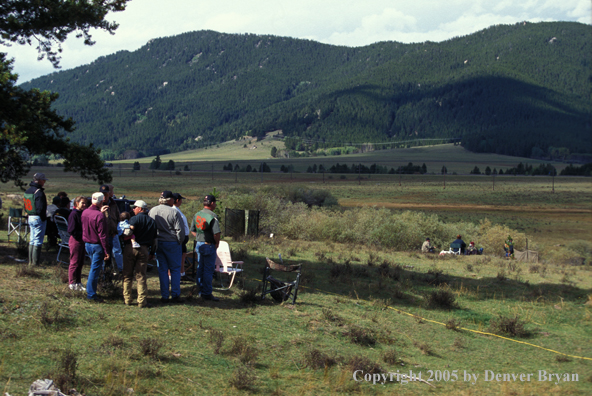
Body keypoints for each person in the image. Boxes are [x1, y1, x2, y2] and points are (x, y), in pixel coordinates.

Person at [149, 191, 185, 303]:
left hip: (158, 242)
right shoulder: (174, 212)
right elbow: (180, 230)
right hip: (172, 242)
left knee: (162, 269)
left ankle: (164, 295)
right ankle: (175, 294)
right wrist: (179, 241)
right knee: (175, 269)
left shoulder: (152, 211)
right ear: (169, 200)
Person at [123, 200, 157, 308]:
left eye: (135, 207)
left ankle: (127, 299)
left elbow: (128, 232)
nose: (133, 209)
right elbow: (155, 240)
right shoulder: (152, 221)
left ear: (140, 209)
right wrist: (152, 252)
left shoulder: (134, 219)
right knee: (141, 275)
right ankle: (142, 300)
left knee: (127, 274)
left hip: (130, 247)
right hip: (144, 249)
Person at [191, 195, 221, 302]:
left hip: (199, 244)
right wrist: (217, 243)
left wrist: (199, 238)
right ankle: (207, 293)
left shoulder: (197, 214)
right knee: (208, 270)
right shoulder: (212, 216)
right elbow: (216, 233)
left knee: (200, 268)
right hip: (208, 245)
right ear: (212, 203)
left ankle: (200, 290)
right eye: (215, 203)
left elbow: (193, 230)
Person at [82, 192, 110, 302]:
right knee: (95, 270)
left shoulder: (85, 212)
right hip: (97, 245)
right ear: (102, 201)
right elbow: (102, 235)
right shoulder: (99, 215)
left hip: (87, 243)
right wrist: (106, 249)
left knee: (93, 268)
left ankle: (91, 291)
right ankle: (91, 294)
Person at [24, 173, 48, 267]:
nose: (44, 182)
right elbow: (41, 208)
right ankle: (35, 263)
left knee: (32, 239)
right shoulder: (39, 192)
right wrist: (43, 218)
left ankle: (30, 262)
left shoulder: (28, 191)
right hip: (38, 217)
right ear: (39, 181)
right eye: (44, 180)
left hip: (30, 216)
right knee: (38, 240)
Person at [67, 196, 89, 292]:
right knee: (74, 262)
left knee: (80, 262)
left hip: (82, 240)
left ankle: (78, 282)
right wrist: (81, 234)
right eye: (82, 203)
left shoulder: (82, 213)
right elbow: (71, 230)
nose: (84, 205)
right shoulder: (74, 214)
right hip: (76, 240)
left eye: (85, 203)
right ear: (76, 203)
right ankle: (72, 283)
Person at [100, 184, 123, 272]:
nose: (104, 197)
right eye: (103, 195)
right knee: (102, 254)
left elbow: (117, 217)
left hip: (111, 234)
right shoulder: (97, 205)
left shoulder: (113, 204)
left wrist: (114, 230)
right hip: (101, 235)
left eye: (106, 194)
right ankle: (102, 272)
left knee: (114, 252)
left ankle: (116, 270)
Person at [172, 193, 190, 279]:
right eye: (181, 200)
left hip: (183, 237)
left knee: (183, 255)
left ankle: (182, 273)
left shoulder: (177, 210)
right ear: (177, 200)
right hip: (179, 238)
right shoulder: (174, 210)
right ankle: (175, 275)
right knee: (177, 258)